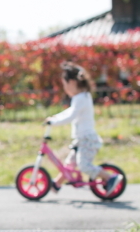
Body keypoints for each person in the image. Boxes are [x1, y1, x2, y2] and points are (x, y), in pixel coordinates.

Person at [45, 62, 123, 196]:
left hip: (87, 139)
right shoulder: (81, 97)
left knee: (84, 166)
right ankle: (56, 184)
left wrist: (54, 122)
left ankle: (110, 177)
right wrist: (54, 117)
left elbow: (71, 116)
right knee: (70, 164)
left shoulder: (81, 98)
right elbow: (69, 112)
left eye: (65, 85)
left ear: (73, 83)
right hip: (81, 140)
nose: (65, 89)